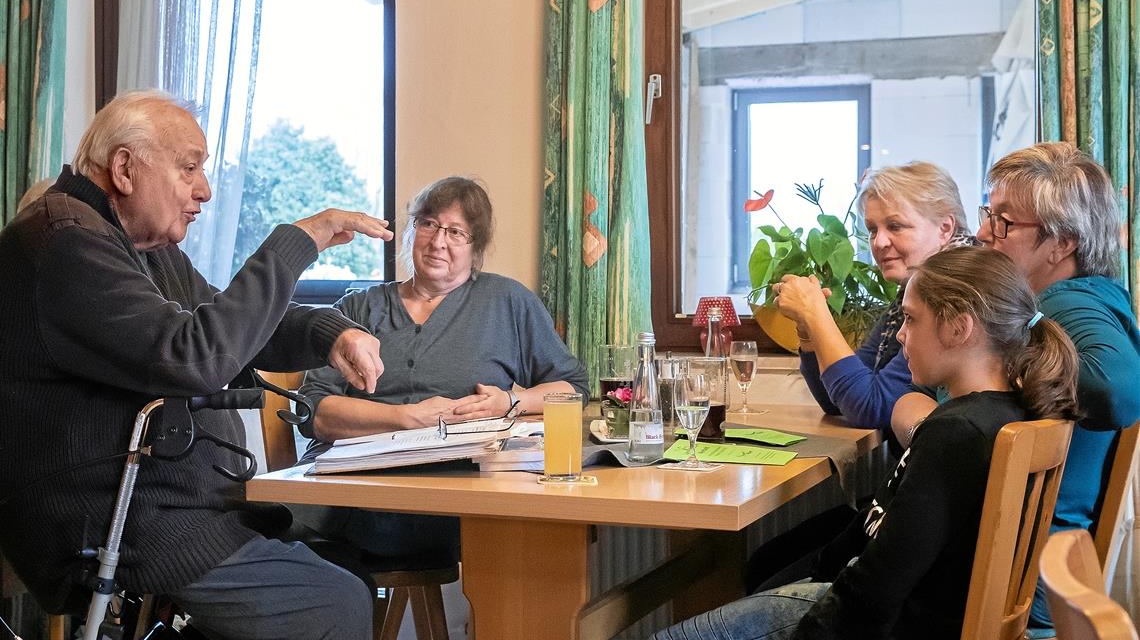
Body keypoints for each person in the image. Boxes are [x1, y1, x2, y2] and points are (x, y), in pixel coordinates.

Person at [0, 90, 394, 639]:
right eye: (189, 169)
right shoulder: (64, 244)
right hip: (115, 524)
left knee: (345, 565)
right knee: (331, 601)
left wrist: (331, 333)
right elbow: (197, 355)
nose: (205, 191)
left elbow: (227, 325)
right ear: (124, 168)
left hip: (173, 512)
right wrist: (297, 241)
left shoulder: (139, 249)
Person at [653, 246, 1080, 640]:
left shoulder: (957, 432)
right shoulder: (1005, 415)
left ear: (958, 327)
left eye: (912, 319)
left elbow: (879, 584)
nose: (900, 335)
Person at [293, 176, 588, 561]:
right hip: (347, 489)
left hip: (450, 493)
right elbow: (312, 410)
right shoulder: (360, 307)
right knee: (279, 530)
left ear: (476, 248)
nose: (438, 241)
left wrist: (511, 401)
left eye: (456, 232)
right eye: (428, 224)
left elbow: (573, 389)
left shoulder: (507, 301)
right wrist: (405, 418)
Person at [972, 141, 1140, 633]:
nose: (985, 232)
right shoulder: (1067, 301)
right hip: (1030, 574)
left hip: (1019, 586)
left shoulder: (1064, 306)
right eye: (990, 213)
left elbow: (1118, 391)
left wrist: (1000, 362)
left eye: (1004, 221)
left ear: (1062, 243)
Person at [774, 161, 977, 437]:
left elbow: (872, 406)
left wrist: (817, 314)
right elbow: (837, 399)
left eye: (895, 226)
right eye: (872, 229)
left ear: (945, 227)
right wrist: (809, 333)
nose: (879, 242)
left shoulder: (956, 286)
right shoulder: (916, 285)